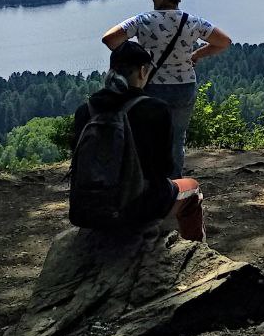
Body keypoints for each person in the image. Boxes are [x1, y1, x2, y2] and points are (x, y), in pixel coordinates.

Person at [71, 41, 205, 240]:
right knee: (192, 189)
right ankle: (194, 253)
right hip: (137, 208)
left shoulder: (86, 110)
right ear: (143, 71)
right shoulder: (156, 109)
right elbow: (165, 169)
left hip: (87, 209)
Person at [102, 0, 231, 178]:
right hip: (184, 86)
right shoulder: (192, 21)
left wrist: (139, 54)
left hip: (151, 86)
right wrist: (197, 54)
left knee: (148, 135)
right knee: (177, 138)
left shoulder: (142, 20)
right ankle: (173, 183)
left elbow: (109, 39)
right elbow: (224, 41)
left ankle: (147, 180)